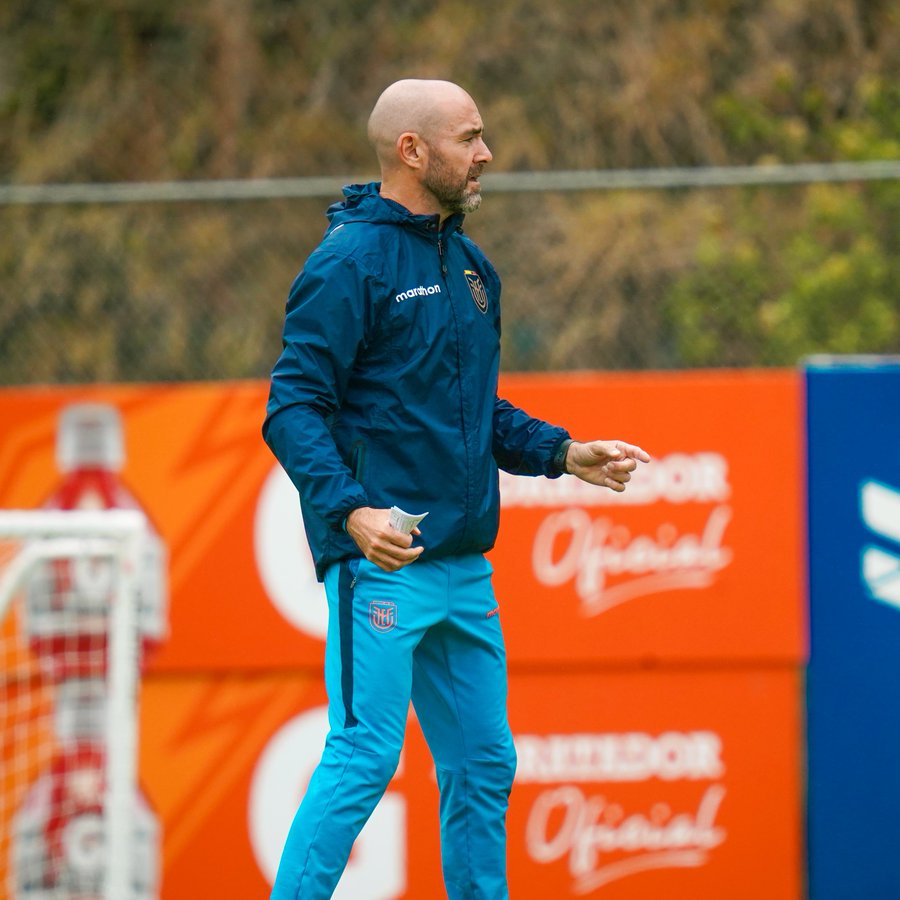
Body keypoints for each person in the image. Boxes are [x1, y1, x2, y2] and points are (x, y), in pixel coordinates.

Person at [262, 78, 650, 900]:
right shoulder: (346, 264)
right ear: (413, 150)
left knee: (483, 763)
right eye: (470, 137)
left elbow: (475, 408)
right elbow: (292, 406)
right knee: (367, 756)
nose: (486, 154)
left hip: (465, 570)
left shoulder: (471, 266)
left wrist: (563, 452)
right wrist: (351, 510)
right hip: (387, 566)